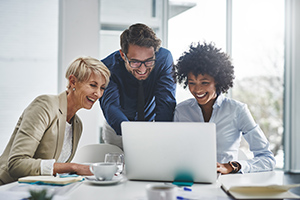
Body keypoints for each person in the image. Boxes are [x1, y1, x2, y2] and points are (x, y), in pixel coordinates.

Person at [0, 56, 110, 185]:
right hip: (8, 188)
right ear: (73, 81)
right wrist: (74, 167)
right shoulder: (45, 105)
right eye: (93, 85)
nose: (98, 94)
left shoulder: (77, 124)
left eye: (102, 88)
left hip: (41, 191)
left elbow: (54, 171)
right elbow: (17, 164)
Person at [174, 42, 276, 174]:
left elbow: (267, 159)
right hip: (189, 179)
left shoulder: (237, 110)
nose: (197, 89)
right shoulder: (181, 111)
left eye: (205, 83)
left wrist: (231, 166)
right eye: (191, 83)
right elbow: (173, 152)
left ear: (218, 81)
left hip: (226, 182)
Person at [100, 23, 176, 149]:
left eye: (148, 61)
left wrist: (161, 135)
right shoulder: (107, 67)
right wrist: (134, 136)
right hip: (117, 128)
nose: (142, 69)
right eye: (135, 62)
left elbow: (166, 101)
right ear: (123, 55)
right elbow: (111, 106)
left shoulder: (164, 58)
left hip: (151, 125)